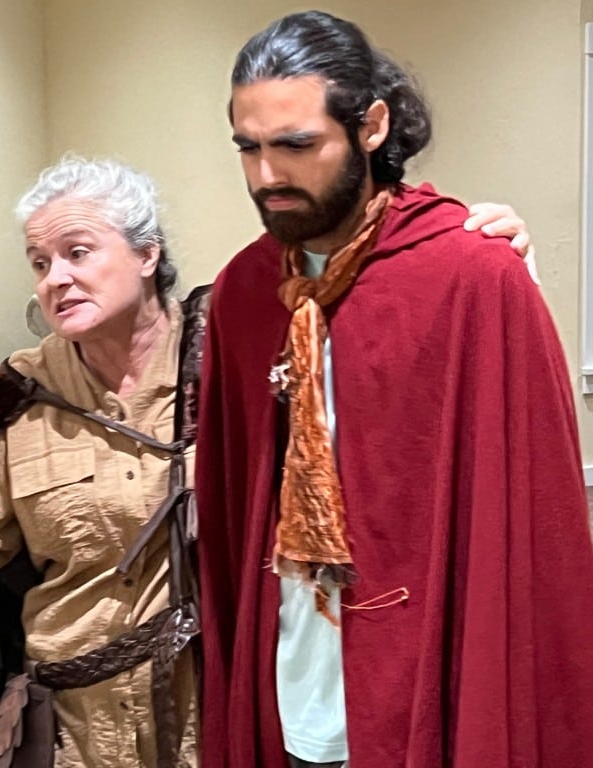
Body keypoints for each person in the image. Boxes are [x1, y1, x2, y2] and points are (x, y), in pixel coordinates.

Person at [0, 155, 531, 766]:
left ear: (147, 253)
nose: (55, 277)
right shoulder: (21, 396)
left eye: (78, 252)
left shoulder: (236, 350)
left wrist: (472, 251)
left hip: (223, 711)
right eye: (39, 262)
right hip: (82, 720)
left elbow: (376, 335)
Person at [194, 11, 593, 768]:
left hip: (422, 677)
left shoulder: (473, 276)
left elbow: (536, 531)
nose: (267, 176)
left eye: (296, 145)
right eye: (248, 148)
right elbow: (230, 513)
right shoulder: (244, 293)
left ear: (372, 127)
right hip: (288, 678)